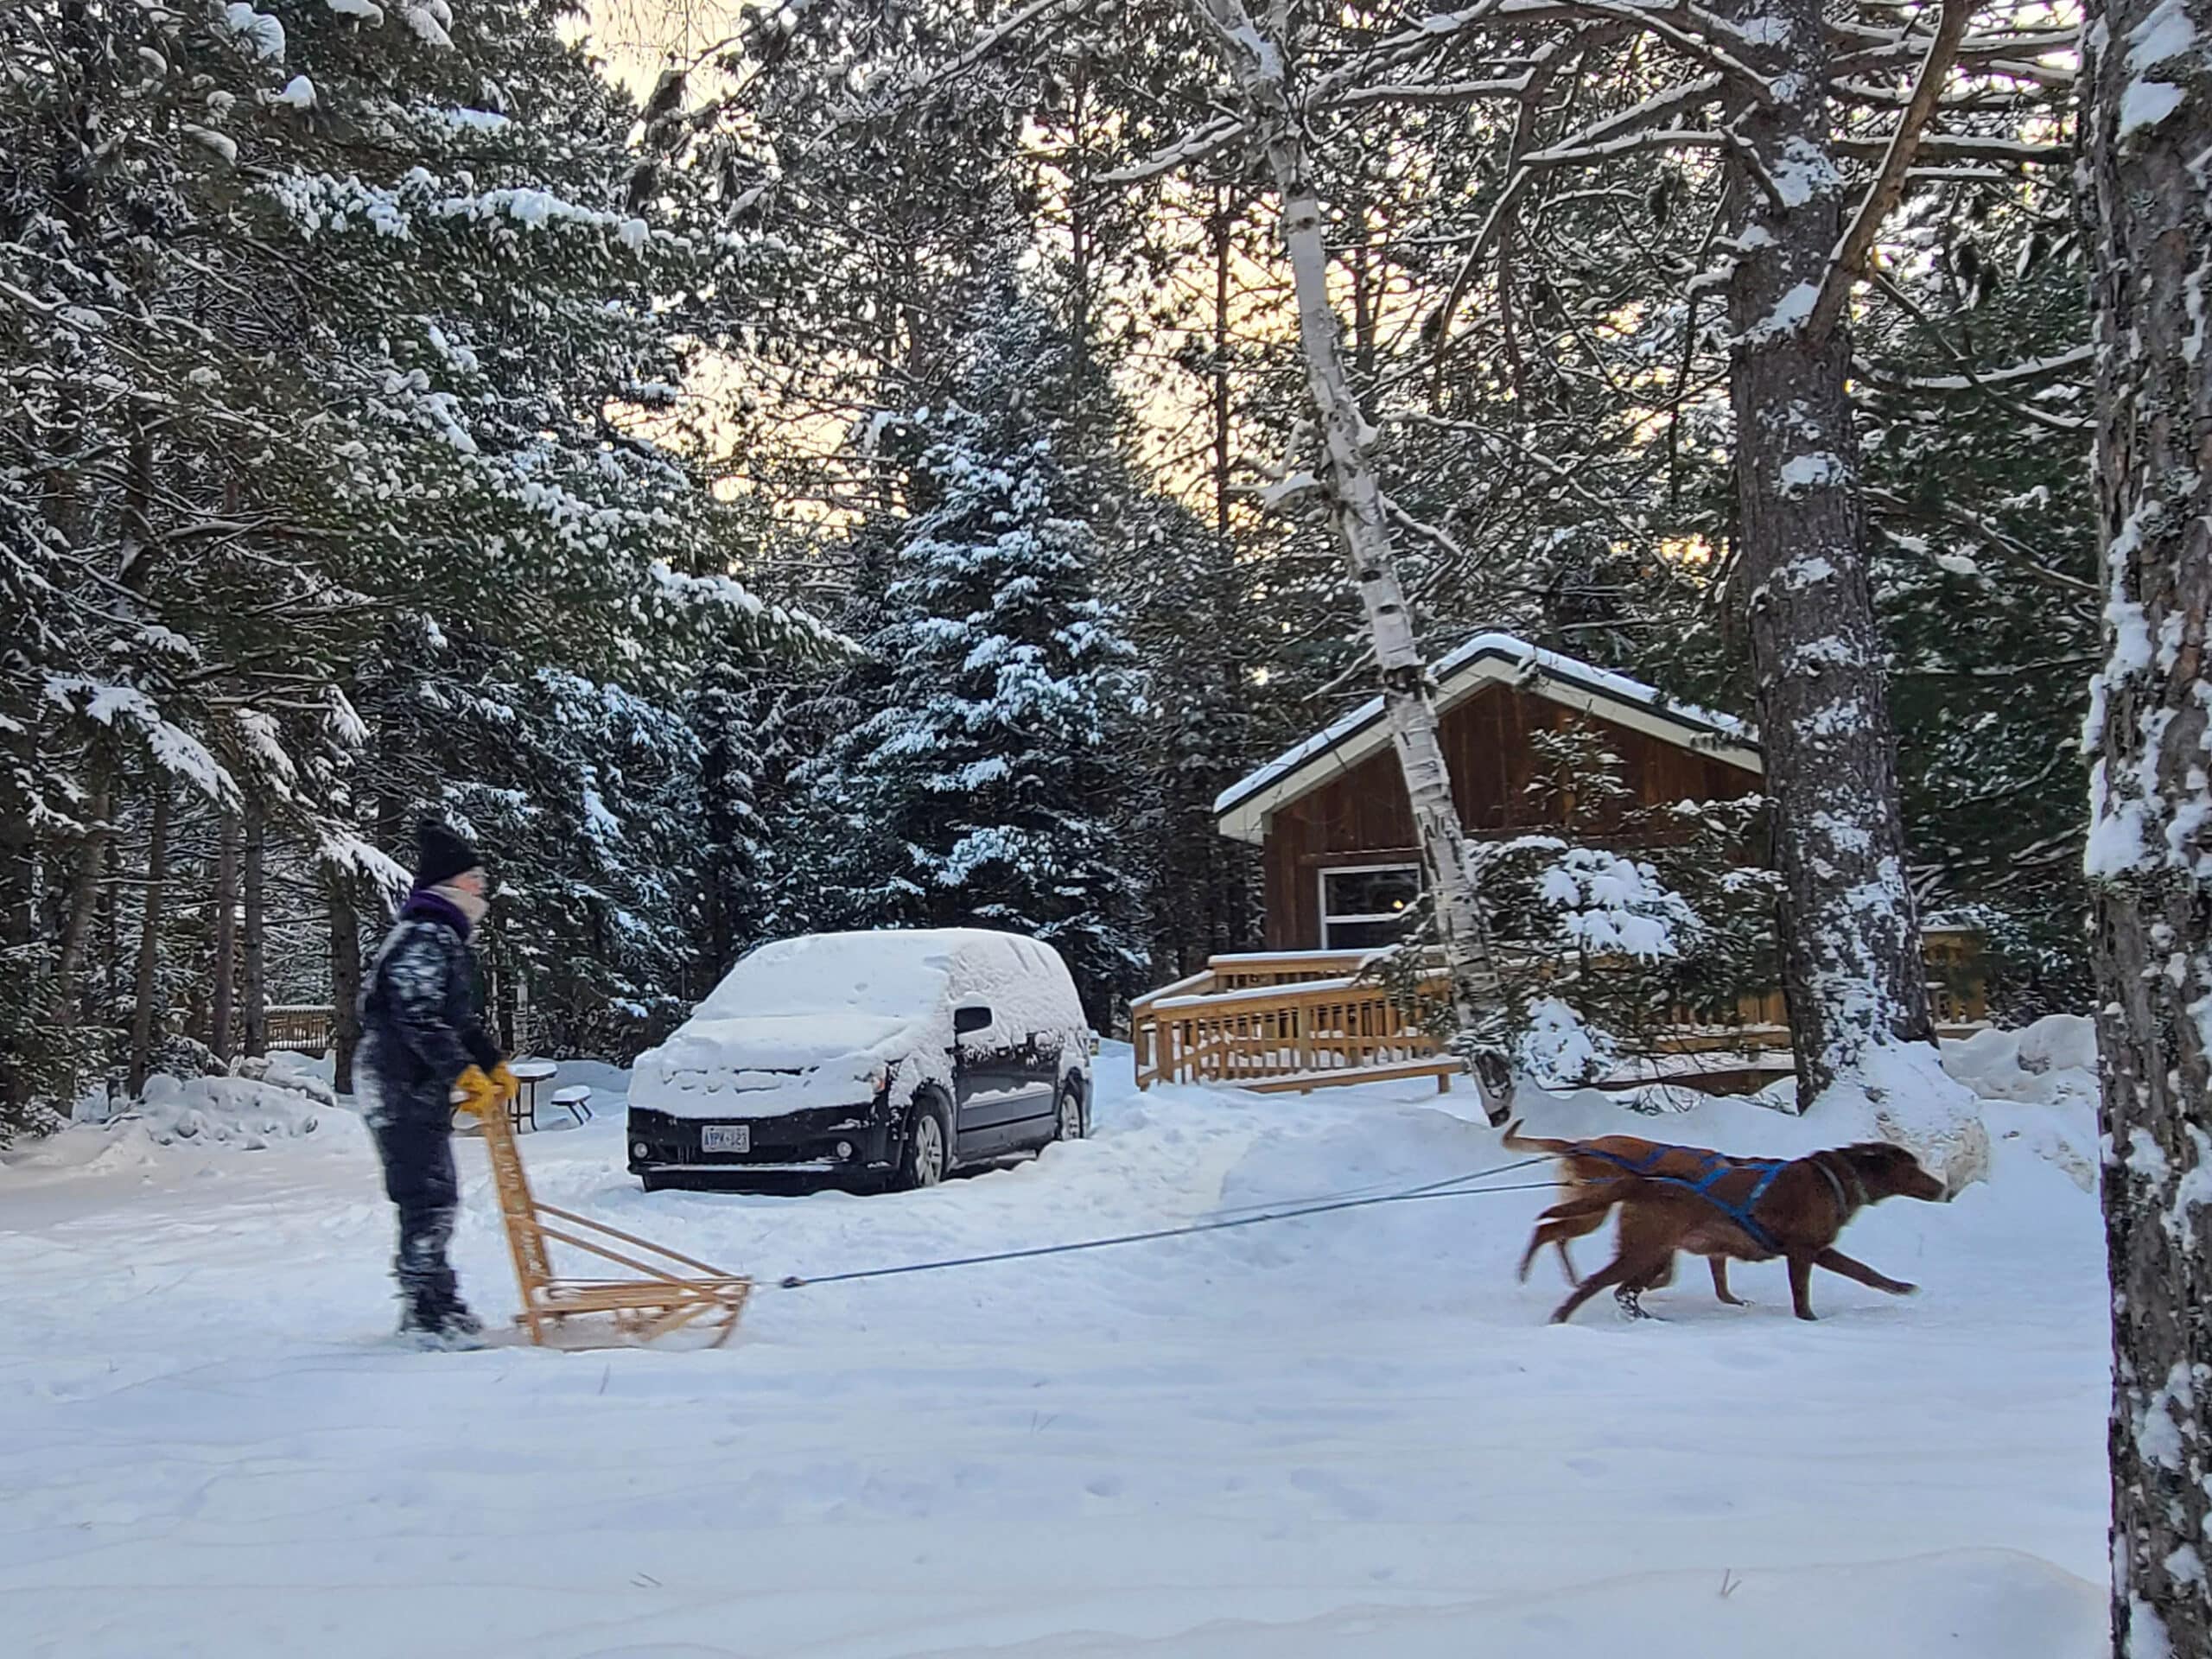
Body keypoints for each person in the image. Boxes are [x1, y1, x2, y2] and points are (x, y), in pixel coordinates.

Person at [358, 820, 514, 1349]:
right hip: (396, 1079)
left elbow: (458, 1021)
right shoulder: (425, 936)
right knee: (425, 1195)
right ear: (453, 886)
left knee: (436, 1193)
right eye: (477, 883)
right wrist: (461, 1072)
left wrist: (490, 1063)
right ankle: (426, 1314)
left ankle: (439, 1301)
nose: (483, 894)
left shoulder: (441, 937)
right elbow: (417, 1013)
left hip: (412, 1080)